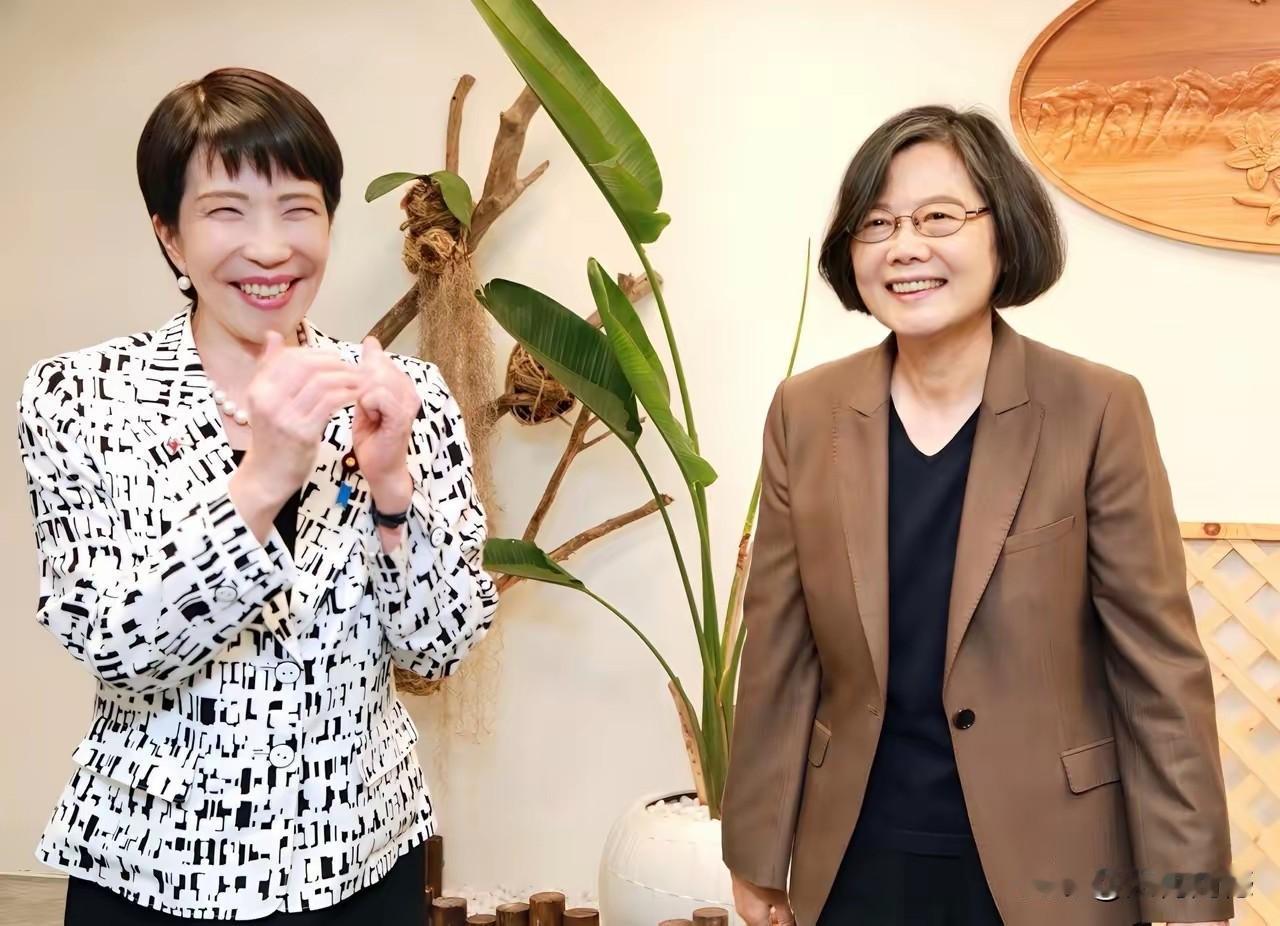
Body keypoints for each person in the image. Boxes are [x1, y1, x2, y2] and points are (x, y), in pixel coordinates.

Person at [720, 105, 1234, 926]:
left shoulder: (1096, 408)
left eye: (938, 217)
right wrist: (755, 856)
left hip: (1056, 865)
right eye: (877, 223)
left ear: (1005, 231)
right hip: (855, 858)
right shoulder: (805, 412)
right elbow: (780, 653)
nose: (904, 247)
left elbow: (1157, 674)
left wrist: (1191, 898)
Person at [16, 67, 498, 923]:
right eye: (227, 211)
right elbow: (115, 644)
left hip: (360, 860)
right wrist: (266, 479)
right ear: (170, 236)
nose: (271, 248)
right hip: (153, 867)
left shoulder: (401, 392)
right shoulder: (80, 396)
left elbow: (440, 647)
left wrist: (393, 489)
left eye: (298, 208)